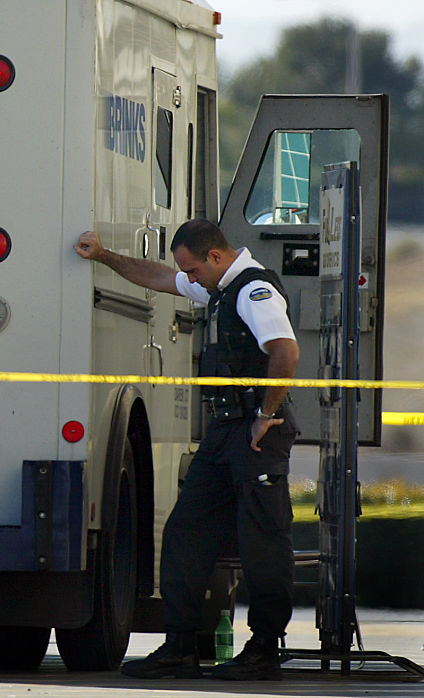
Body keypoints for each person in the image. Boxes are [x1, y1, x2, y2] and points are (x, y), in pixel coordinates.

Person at [74, 219, 300, 681]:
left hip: (255, 432)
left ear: (216, 257)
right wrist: (104, 257)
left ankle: (263, 650)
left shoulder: (253, 291)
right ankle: (179, 645)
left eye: (194, 271)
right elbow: (159, 277)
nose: (189, 280)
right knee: (184, 533)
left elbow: (285, 352)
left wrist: (265, 413)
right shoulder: (218, 287)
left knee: (262, 541)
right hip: (224, 433)